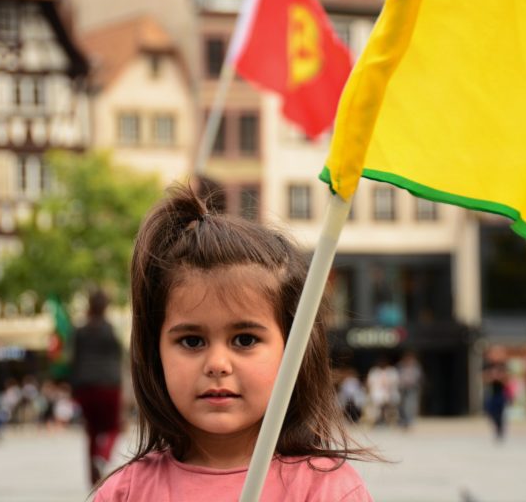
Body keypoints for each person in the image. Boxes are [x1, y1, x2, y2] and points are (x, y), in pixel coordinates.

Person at [94, 186, 375, 501]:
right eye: (191, 341)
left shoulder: (328, 490)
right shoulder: (127, 492)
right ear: (155, 352)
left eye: (244, 340)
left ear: (293, 349)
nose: (217, 364)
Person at [71, 290, 123, 484]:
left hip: (84, 386)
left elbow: (74, 361)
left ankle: (93, 478)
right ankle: (102, 457)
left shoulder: (80, 331)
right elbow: (118, 359)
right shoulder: (109, 330)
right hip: (109, 385)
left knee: (92, 431)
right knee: (114, 427)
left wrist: (74, 388)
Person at [397, 352, 423, 428]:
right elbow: (397, 376)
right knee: (402, 405)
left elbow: (418, 377)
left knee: (411, 405)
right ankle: (403, 421)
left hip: (412, 389)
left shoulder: (416, 367)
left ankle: (410, 421)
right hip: (402, 388)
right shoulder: (400, 366)